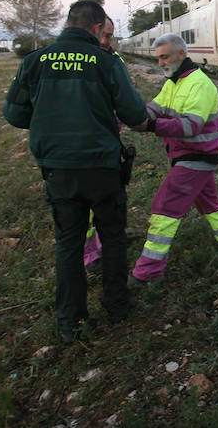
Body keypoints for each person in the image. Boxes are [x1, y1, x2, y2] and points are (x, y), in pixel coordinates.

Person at [3, 1, 148, 343]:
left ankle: (71, 323)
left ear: (69, 23)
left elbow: (14, 114)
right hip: (102, 168)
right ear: (98, 29)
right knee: (112, 237)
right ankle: (117, 307)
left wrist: (47, 120)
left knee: (68, 244)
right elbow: (133, 112)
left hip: (59, 171)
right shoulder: (106, 62)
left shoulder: (34, 61)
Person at [129, 32, 218, 286]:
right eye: (158, 58)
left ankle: (148, 271)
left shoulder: (199, 84)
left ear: (181, 54)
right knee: (211, 205)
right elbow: (154, 108)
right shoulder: (174, 82)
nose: (160, 63)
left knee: (165, 208)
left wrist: (149, 126)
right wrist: (130, 114)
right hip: (190, 156)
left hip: (196, 157)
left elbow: (191, 126)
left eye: (164, 57)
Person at [84, 17, 126, 273]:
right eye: (106, 35)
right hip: (85, 146)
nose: (108, 42)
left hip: (109, 142)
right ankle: (90, 255)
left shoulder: (113, 58)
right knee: (88, 208)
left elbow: (125, 93)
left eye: (111, 36)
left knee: (111, 200)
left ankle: (103, 245)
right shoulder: (79, 60)